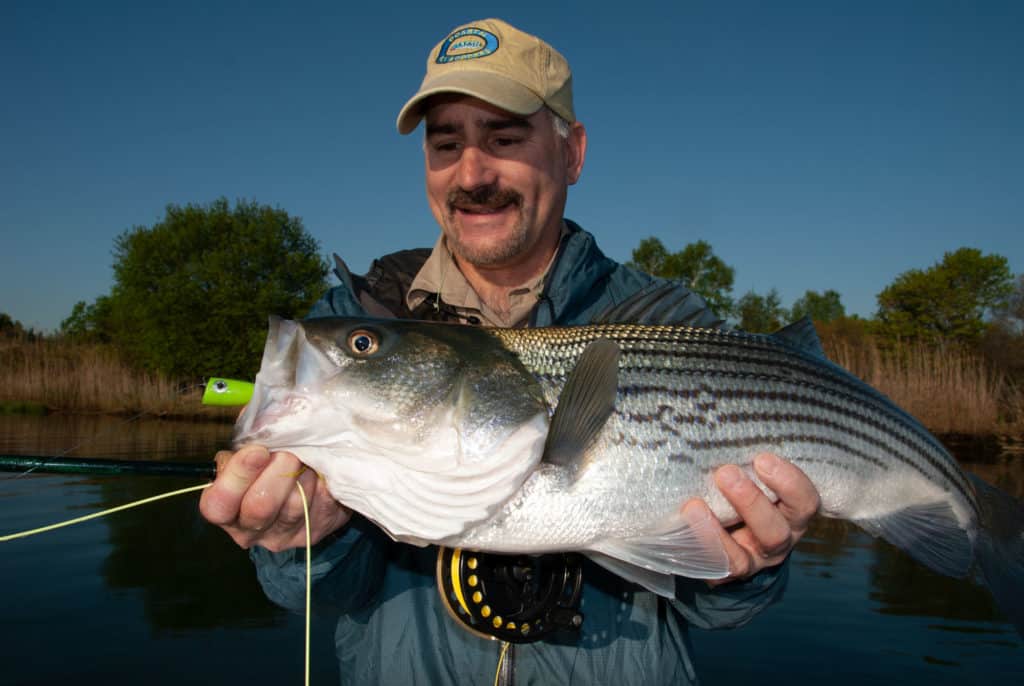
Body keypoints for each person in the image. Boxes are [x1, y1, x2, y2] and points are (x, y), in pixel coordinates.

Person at [200, 18, 820, 685]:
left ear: (572, 153)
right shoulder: (364, 310)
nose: (472, 174)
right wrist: (301, 542)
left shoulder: (667, 325)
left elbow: (715, 612)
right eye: (446, 144)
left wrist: (743, 572)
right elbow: (322, 595)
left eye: (504, 137)